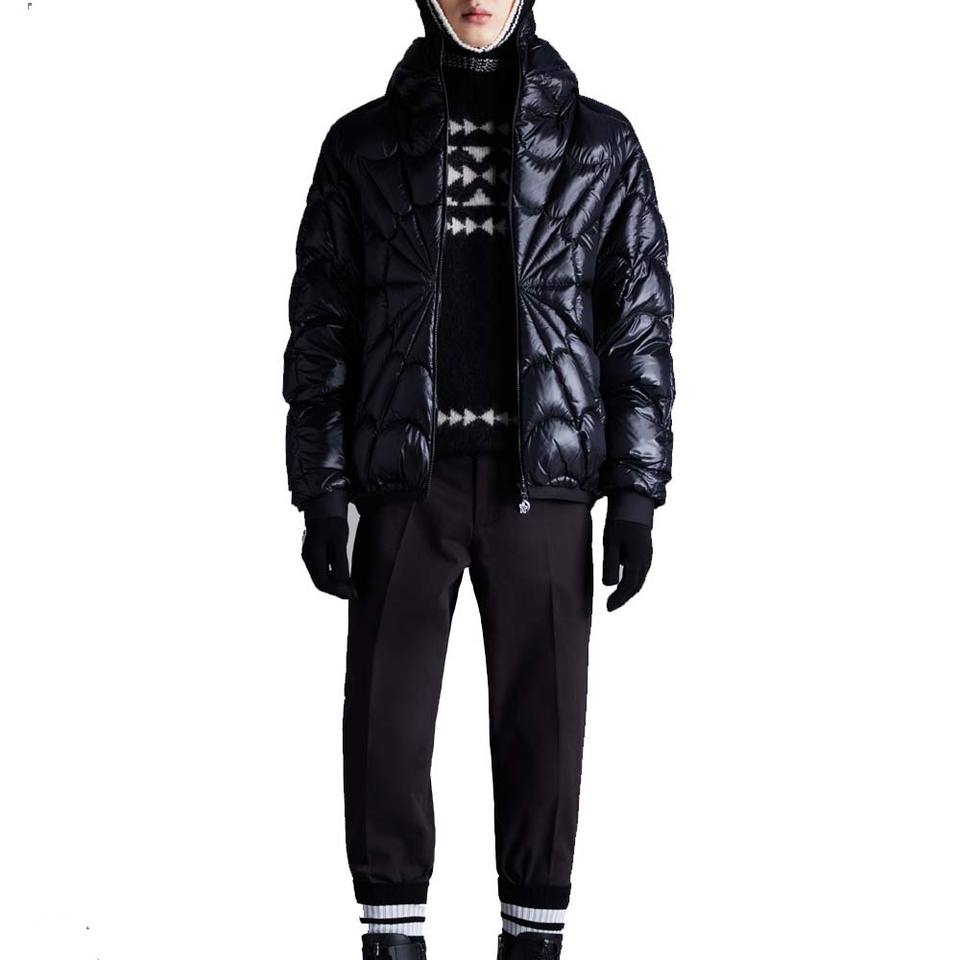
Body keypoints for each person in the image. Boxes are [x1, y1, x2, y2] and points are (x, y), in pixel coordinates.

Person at [282, 0, 675, 956]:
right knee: (385, 730)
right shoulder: (360, 148)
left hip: (544, 489)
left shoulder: (601, 146)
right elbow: (321, 328)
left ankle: (532, 941)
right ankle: (391, 941)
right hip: (402, 486)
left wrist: (635, 490)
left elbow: (638, 323)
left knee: (545, 733)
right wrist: (322, 490)